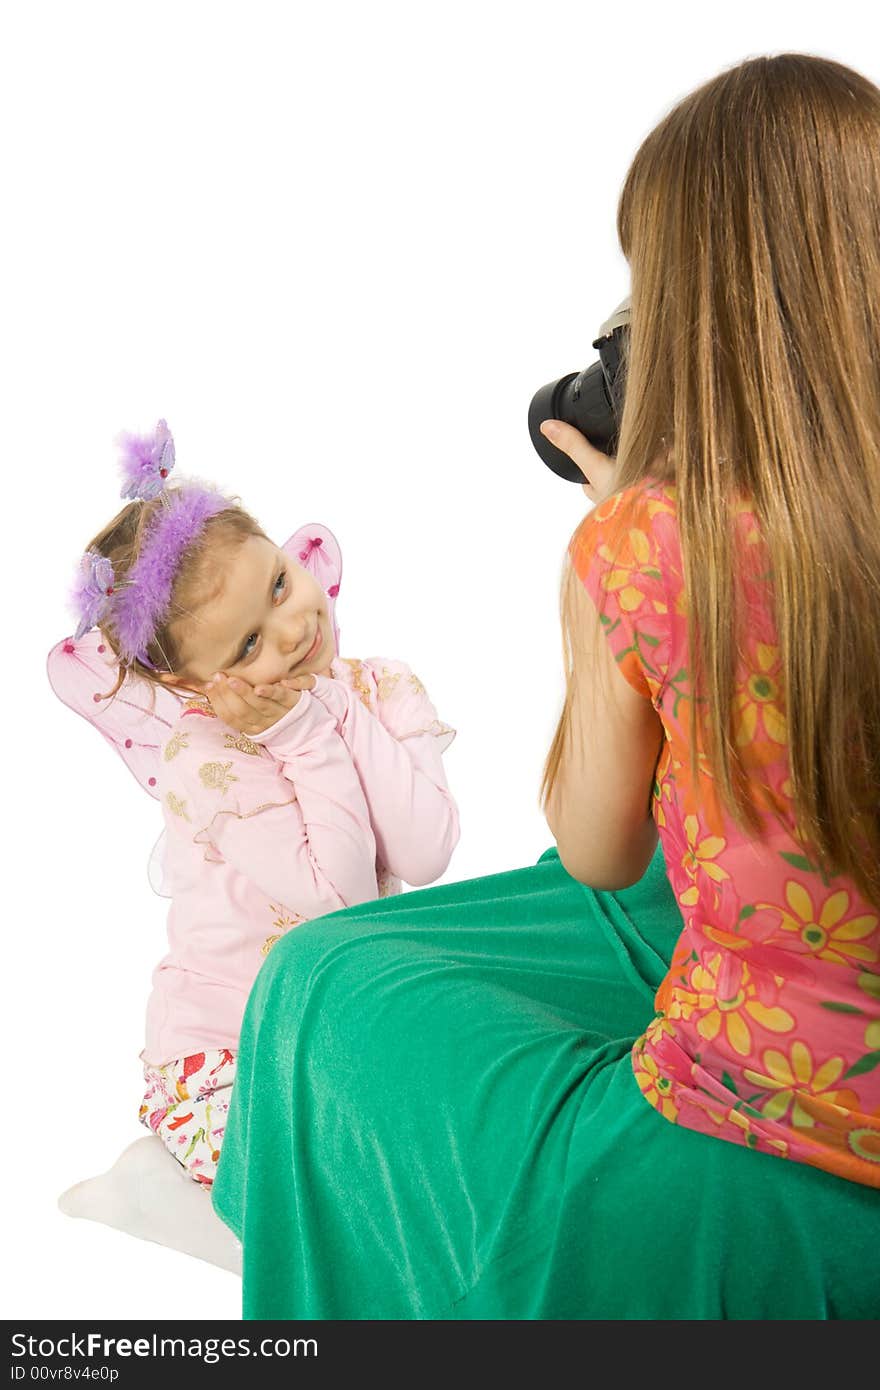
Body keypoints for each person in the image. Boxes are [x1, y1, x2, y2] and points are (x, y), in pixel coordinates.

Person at [208, 53, 880, 1319]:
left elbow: (597, 848)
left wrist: (611, 549)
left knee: (322, 981)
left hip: (757, 1129)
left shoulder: (647, 545)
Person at [53, 421, 459, 1268]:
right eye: (245, 645)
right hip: (227, 1055)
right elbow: (335, 902)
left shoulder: (377, 688)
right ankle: (166, 1196)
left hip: (334, 1028)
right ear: (189, 684)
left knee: (454, 1141)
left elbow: (424, 853)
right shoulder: (203, 760)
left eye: (279, 584)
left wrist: (338, 708)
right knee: (346, 1228)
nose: (290, 632)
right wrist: (308, 733)